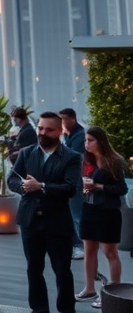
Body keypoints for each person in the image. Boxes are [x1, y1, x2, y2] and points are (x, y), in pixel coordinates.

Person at [7, 112, 83, 313]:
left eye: (48, 130)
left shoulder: (71, 157)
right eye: (40, 128)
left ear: (60, 131)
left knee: (62, 272)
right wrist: (23, 187)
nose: (42, 133)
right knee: (33, 269)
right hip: (30, 221)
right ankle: (40, 312)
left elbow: (71, 188)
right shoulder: (27, 153)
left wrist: (41, 186)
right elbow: (12, 179)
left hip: (57, 223)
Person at [74, 126, 129, 309]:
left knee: (110, 253)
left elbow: (122, 189)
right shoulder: (86, 160)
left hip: (108, 212)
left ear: (101, 141)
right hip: (89, 209)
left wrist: (99, 187)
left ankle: (113, 292)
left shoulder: (114, 161)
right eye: (85, 140)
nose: (86, 144)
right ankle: (90, 289)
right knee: (89, 251)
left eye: (90, 140)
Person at [60, 108, 87, 260]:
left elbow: (74, 157)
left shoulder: (80, 136)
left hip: (76, 179)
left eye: (63, 119)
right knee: (71, 213)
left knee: (76, 213)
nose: (61, 122)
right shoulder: (67, 134)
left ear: (72, 119)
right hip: (69, 179)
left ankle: (81, 246)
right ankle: (76, 244)